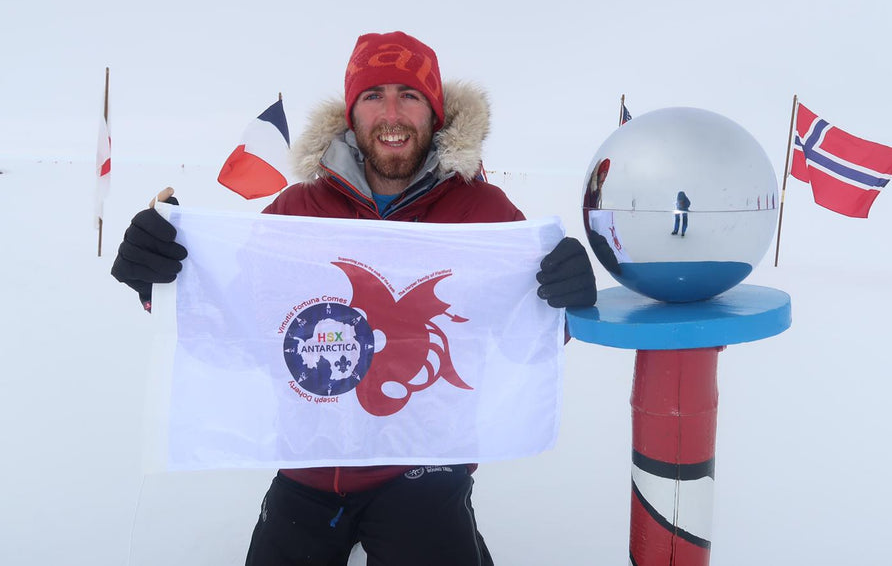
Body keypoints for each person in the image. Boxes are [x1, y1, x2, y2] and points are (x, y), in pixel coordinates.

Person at [110, 31, 597, 566]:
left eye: (409, 95)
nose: (391, 113)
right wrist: (159, 281)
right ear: (351, 114)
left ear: (434, 113)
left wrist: (565, 302)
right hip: (310, 467)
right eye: (373, 96)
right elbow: (238, 326)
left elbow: (521, 341)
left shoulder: (483, 212)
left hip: (424, 469)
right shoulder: (297, 211)